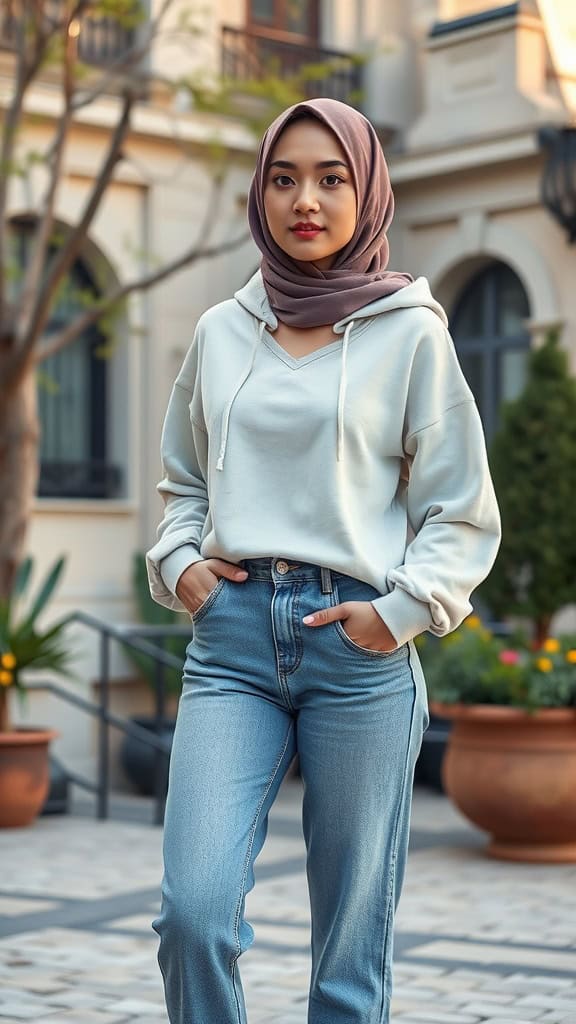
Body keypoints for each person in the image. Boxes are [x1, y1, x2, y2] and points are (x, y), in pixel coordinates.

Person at [146, 97, 501, 1024]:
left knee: (349, 947)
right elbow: (181, 480)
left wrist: (402, 611)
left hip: (360, 650)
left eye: (331, 177)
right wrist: (179, 557)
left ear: (367, 191)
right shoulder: (223, 332)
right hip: (231, 647)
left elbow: (461, 511)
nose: (306, 199)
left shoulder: (413, 332)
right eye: (284, 177)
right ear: (260, 192)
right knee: (194, 913)